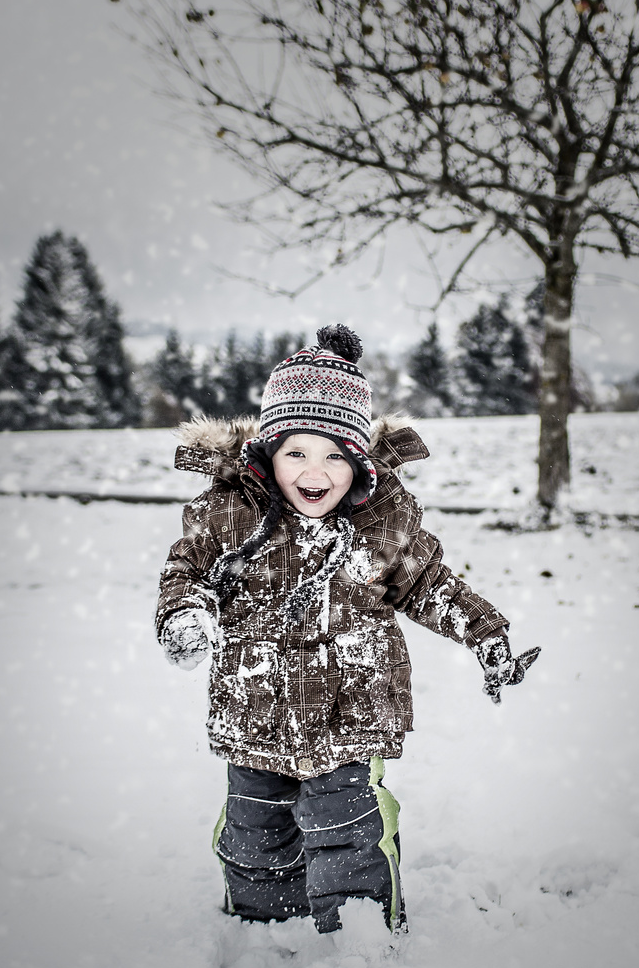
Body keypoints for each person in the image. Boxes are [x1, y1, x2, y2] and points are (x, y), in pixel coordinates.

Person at [155, 324, 539, 934]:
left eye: (335, 453)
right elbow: (189, 570)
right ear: (266, 456)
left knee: (348, 831)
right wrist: (185, 613)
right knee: (255, 832)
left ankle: (357, 937)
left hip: (352, 710)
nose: (317, 470)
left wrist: (483, 631)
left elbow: (428, 583)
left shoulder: (382, 520)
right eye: (297, 452)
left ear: (358, 461)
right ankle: (262, 928)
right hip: (254, 704)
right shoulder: (230, 514)